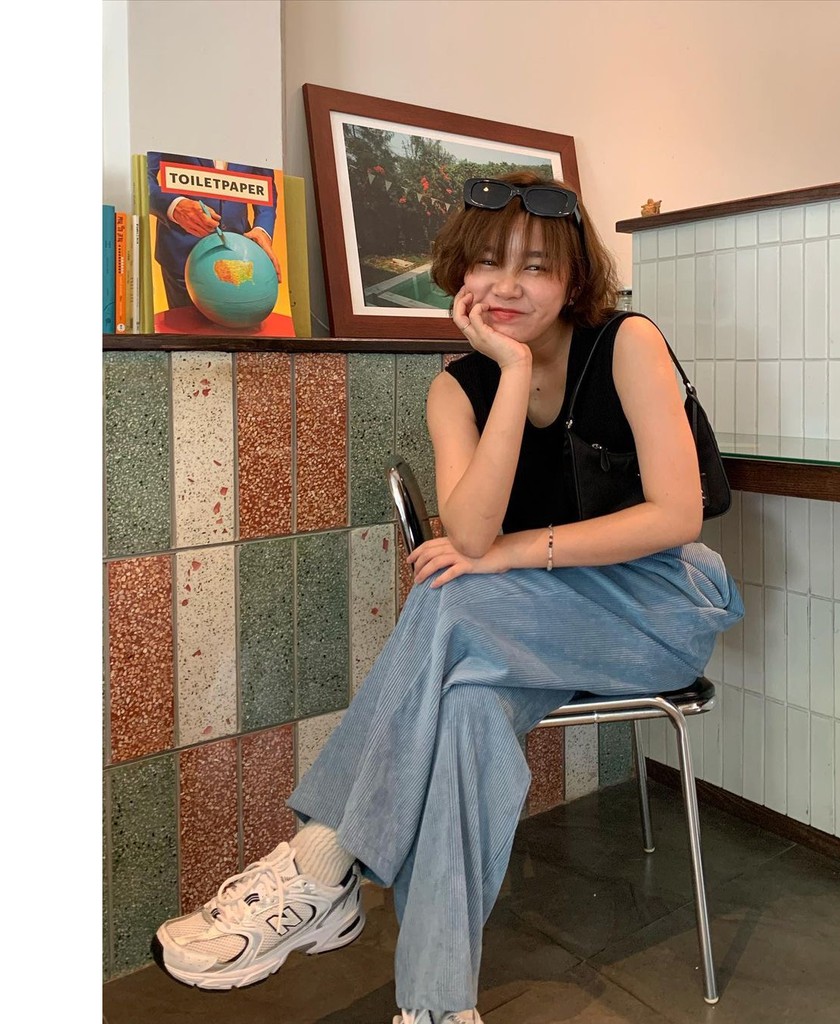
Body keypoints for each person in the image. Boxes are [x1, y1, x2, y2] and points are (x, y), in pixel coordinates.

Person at [154, 170, 744, 1024]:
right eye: (488, 263)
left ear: (573, 277)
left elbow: (677, 514)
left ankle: (324, 858)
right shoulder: (457, 388)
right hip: (526, 626)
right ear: (458, 272)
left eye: (536, 267)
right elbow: (468, 536)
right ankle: (435, 1009)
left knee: (455, 600)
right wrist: (510, 372)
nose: (509, 286)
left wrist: (517, 551)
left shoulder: (628, 343)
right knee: (466, 709)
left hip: (656, 611)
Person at [147, 152, 283, 312]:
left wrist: (263, 229)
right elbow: (140, 177)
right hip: (181, 256)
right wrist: (174, 206)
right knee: (188, 327)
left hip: (240, 256)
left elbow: (266, 185)